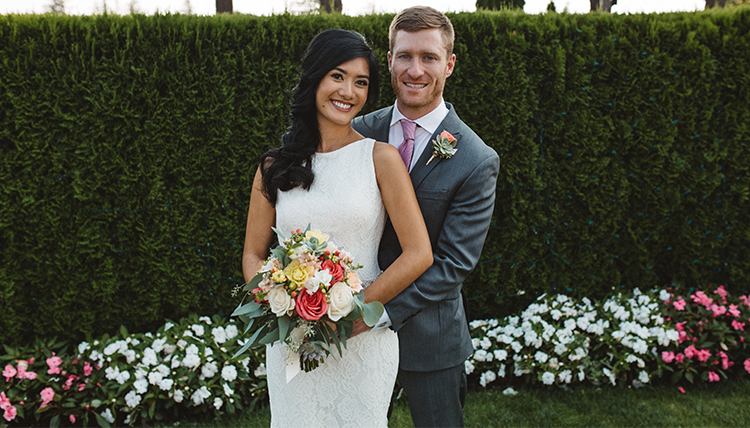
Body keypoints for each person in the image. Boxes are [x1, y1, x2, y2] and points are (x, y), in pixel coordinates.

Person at [241, 29, 432, 427]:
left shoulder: (380, 159)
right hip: (292, 345)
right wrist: (279, 299)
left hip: (361, 344)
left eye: (361, 82)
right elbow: (253, 254)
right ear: (314, 78)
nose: (349, 91)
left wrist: (350, 315)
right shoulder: (275, 167)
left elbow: (419, 253)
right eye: (338, 76)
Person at [352, 6, 500, 427]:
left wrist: (376, 312)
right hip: (348, 329)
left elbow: (454, 264)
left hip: (430, 338)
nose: (415, 70)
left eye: (429, 57)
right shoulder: (359, 133)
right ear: (389, 60)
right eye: (405, 56)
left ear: (449, 64)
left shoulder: (475, 158)